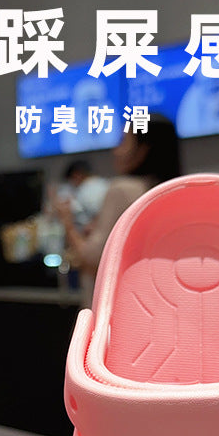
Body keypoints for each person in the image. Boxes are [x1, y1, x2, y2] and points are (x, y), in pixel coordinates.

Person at [55, 115, 181, 307]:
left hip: (116, 308)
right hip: (157, 305)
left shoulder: (122, 190)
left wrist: (67, 222)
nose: (115, 150)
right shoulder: (174, 191)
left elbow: (92, 257)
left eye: (123, 141)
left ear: (143, 150)